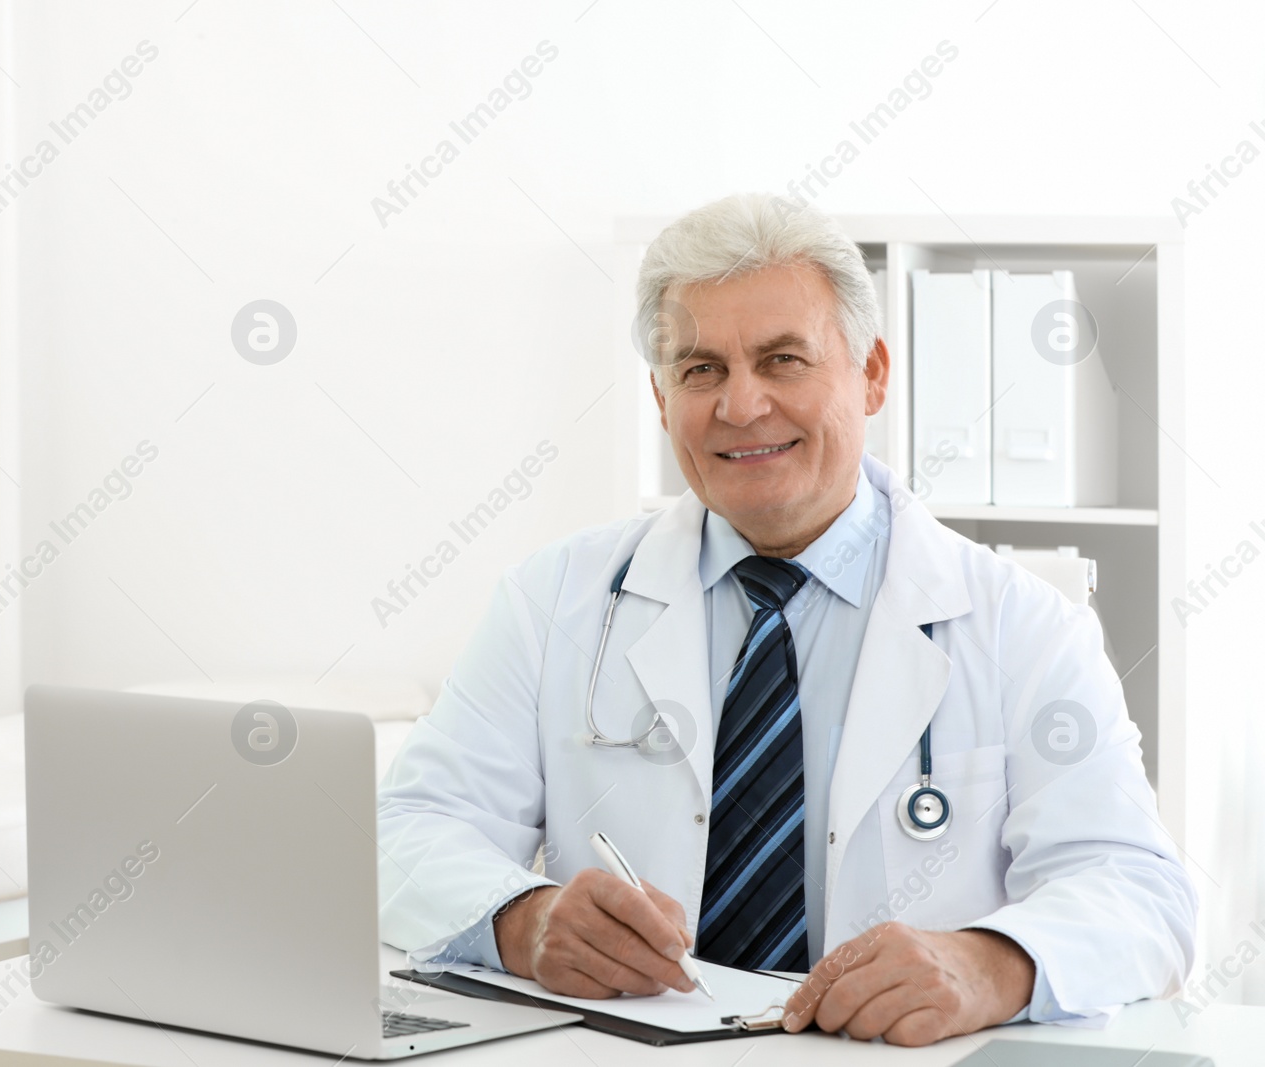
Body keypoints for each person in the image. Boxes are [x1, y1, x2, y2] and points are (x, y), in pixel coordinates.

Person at [376, 193, 1196, 1047]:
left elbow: (1142, 891)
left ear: (872, 373)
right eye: (700, 370)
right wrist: (523, 918)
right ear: (661, 401)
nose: (740, 405)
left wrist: (990, 964)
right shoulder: (555, 600)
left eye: (783, 360)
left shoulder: (1024, 626)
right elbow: (407, 830)